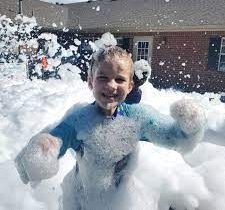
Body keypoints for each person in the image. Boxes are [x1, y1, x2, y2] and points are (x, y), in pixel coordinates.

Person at [15, 46, 206, 210]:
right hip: (82, 202)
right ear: (91, 81)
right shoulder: (80, 120)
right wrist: (45, 149)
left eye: (120, 79)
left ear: (131, 86)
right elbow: (58, 139)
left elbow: (174, 138)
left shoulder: (137, 118)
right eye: (103, 77)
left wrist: (190, 125)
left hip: (122, 201)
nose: (111, 85)